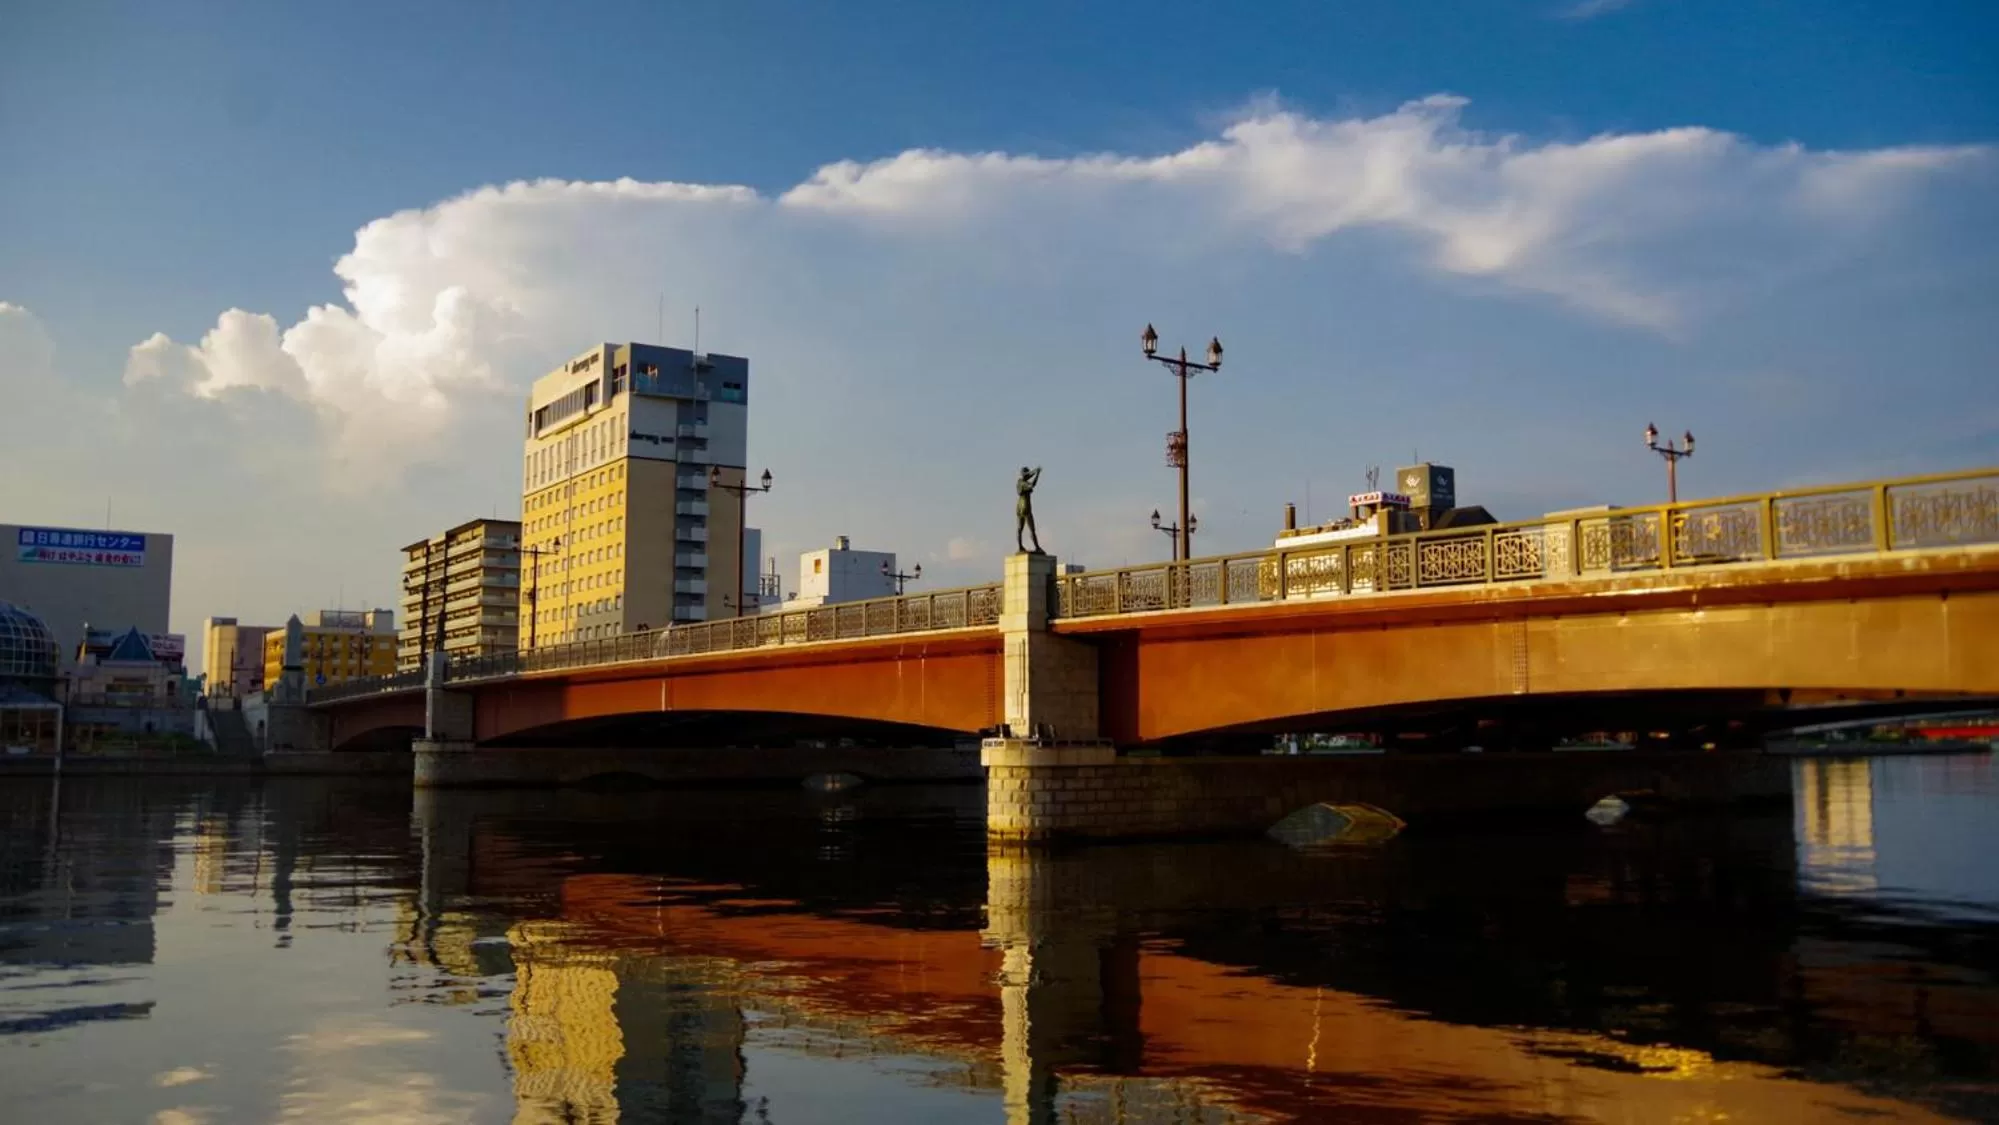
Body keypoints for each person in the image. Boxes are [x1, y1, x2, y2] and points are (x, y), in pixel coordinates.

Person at [1016, 466, 1043, 553]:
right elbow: (1032, 485)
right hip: (1025, 506)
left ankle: (1020, 547)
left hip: (1019, 506)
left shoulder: (1019, 482)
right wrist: (1037, 474)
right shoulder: (1024, 484)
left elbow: (1029, 475)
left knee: (1019, 528)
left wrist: (1035, 471)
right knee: (1032, 529)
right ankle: (1037, 547)